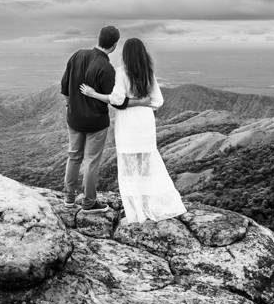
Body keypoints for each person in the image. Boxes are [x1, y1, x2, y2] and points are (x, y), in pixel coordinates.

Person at [80, 37, 186, 223]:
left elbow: (117, 99)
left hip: (128, 124)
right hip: (145, 123)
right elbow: (158, 101)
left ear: (125, 54)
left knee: (129, 168)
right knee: (145, 167)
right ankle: (147, 206)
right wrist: (143, 104)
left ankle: (135, 210)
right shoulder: (148, 73)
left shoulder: (120, 73)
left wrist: (94, 94)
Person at [60, 25, 120, 212]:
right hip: (96, 123)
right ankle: (89, 202)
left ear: (99, 38)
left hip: (74, 119)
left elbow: (64, 87)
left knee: (74, 157)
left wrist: (70, 107)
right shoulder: (107, 68)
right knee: (91, 161)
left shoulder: (77, 55)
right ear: (115, 45)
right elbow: (111, 99)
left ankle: (69, 198)